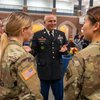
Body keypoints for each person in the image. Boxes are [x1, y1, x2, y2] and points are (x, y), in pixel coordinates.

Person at [0, 12, 43, 100]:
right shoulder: (24, 57)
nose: (32, 32)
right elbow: (32, 94)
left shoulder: (3, 49)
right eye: (31, 29)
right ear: (23, 30)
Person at [64, 6, 100, 100]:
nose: (83, 27)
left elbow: (71, 94)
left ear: (96, 26)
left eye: (84, 22)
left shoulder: (82, 57)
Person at [31, 14, 67, 100]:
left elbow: (66, 46)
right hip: (43, 72)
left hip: (57, 71)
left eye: (54, 21)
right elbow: (34, 51)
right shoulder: (37, 35)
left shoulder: (61, 34)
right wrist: (29, 51)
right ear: (44, 23)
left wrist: (65, 49)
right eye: (50, 21)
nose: (53, 23)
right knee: (43, 97)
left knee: (59, 97)